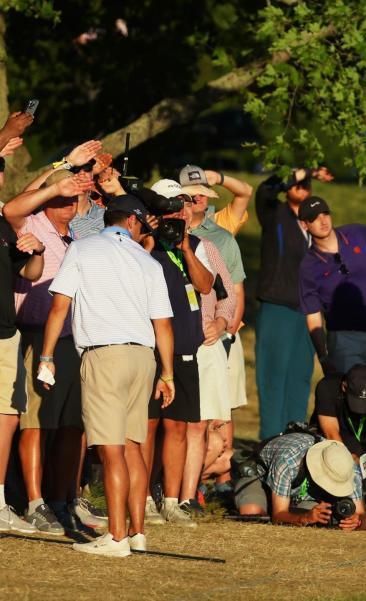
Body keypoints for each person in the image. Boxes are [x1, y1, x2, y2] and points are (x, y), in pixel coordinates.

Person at [41, 194, 174, 557]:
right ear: (131, 223)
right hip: (143, 357)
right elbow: (163, 324)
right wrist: (168, 374)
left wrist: (47, 355)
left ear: (108, 219)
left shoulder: (83, 250)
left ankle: (116, 538)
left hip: (105, 355)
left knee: (111, 448)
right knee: (133, 447)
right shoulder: (147, 261)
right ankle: (137, 534)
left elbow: (59, 307)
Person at [3, 166, 97, 533]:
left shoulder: (76, 236)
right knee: (36, 424)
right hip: (36, 335)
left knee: (69, 425)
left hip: (72, 339)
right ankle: (34, 501)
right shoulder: (32, 224)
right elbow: (13, 207)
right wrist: (57, 172)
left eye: (72, 198)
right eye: (60, 197)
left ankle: (62, 498)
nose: (67, 203)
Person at [155, 176, 248, 496]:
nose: (180, 211)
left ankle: (186, 496)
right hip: (162, 347)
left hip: (202, 346)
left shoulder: (204, 246)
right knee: (166, 427)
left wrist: (222, 324)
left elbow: (223, 292)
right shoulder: (147, 246)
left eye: (183, 204)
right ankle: (161, 493)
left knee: (195, 426)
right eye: (172, 206)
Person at [145, 200, 214, 526]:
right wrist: (149, 238)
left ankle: (171, 501)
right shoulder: (145, 248)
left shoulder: (194, 247)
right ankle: (143, 496)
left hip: (186, 353)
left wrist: (185, 248)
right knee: (148, 426)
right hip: (154, 353)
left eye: (179, 214)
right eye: (168, 216)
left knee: (178, 428)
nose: (175, 221)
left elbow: (205, 286)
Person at [254, 168, 331, 439]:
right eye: (296, 183)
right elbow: (264, 191)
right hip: (278, 306)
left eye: (306, 183)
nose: (302, 186)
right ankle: (270, 441)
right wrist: (304, 170)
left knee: (300, 377)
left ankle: (294, 443)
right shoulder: (275, 214)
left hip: (308, 313)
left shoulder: (316, 227)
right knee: (273, 376)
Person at [298, 196, 366, 374]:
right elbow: (313, 316)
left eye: (325, 214)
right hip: (344, 341)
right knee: (355, 396)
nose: (323, 221)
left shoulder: (356, 233)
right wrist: (323, 357)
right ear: (305, 225)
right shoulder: (308, 266)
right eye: (314, 218)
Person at [0, 214, 44, 533]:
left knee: (8, 417)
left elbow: (28, 273)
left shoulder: (3, 224)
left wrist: (38, 252)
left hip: (4, 334)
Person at [311, 365, 366, 513]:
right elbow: (332, 434)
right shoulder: (327, 388)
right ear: (344, 387)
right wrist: (348, 461)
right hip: (335, 442)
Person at [235, 434, 366, 530]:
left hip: (299, 493)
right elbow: (278, 515)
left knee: (319, 521)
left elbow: (363, 518)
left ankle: (285, 505)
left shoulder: (347, 468)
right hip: (260, 478)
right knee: (253, 514)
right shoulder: (288, 461)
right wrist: (305, 518)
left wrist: (356, 522)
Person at [178, 164, 253, 236]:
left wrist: (218, 178)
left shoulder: (220, 223)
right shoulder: (172, 226)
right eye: (192, 194)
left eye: (203, 193)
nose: (198, 198)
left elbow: (246, 192)